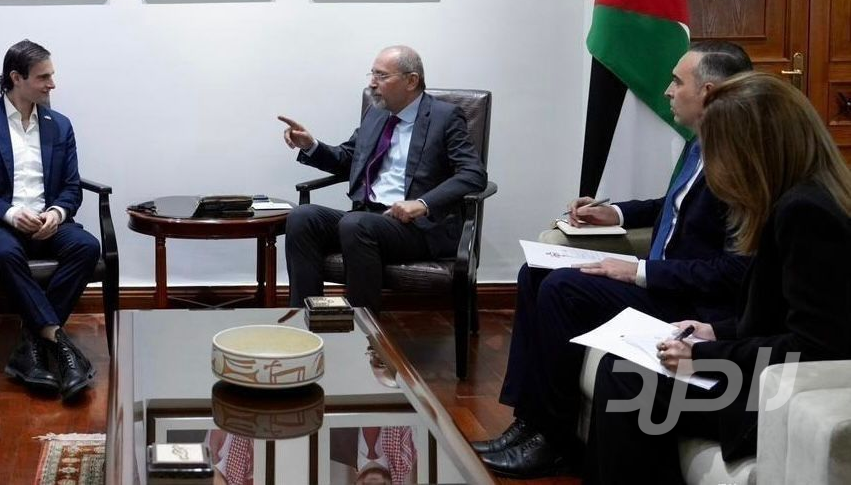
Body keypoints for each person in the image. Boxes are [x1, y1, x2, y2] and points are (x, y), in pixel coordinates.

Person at [474, 41, 753, 478]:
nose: (667, 91)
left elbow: (734, 272)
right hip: (660, 284)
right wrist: (617, 213)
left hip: (687, 303)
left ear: (710, 92)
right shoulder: (700, 144)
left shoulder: (741, 165)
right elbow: (674, 204)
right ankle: (529, 421)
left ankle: (553, 439)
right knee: (535, 273)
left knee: (564, 289)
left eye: (677, 82)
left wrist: (639, 271)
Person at [585, 72, 851, 484]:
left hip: (773, 396)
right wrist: (715, 331)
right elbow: (781, 317)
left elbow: (813, 347)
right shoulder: (797, 197)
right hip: (763, 374)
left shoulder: (805, 213)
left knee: (626, 380)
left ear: (752, 150)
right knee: (624, 369)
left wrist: (706, 355)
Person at [279, 45, 486, 316]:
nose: (372, 83)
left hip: (416, 228)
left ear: (411, 81)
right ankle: (305, 320)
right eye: (372, 74)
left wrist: (423, 203)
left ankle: (364, 331)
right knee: (302, 217)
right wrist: (311, 146)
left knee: (356, 224)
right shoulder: (376, 114)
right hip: (368, 219)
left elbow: (473, 174)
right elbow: (348, 158)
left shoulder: (444, 117)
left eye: (382, 76)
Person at [0, 40, 102, 400]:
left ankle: (30, 346)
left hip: (47, 222)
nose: (52, 84)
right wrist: (11, 213)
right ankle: (60, 345)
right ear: (16, 78)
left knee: (86, 247)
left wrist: (57, 213)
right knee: (4, 253)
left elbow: (71, 187)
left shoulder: (59, 126)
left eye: (52, 75)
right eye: (43, 77)